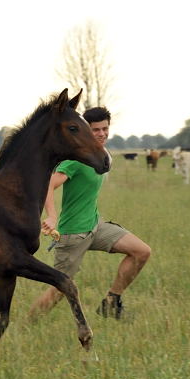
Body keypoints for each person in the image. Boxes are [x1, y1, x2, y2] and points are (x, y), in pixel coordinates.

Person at [29, 107, 151, 320]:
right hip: (72, 234)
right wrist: (51, 216)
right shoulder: (75, 160)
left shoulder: (100, 156)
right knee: (60, 289)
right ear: (86, 130)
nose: (102, 133)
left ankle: (111, 302)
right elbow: (48, 184)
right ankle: (28, 324)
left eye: (105, 129)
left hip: (95, 226)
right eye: (96, 130)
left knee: (141, 252)